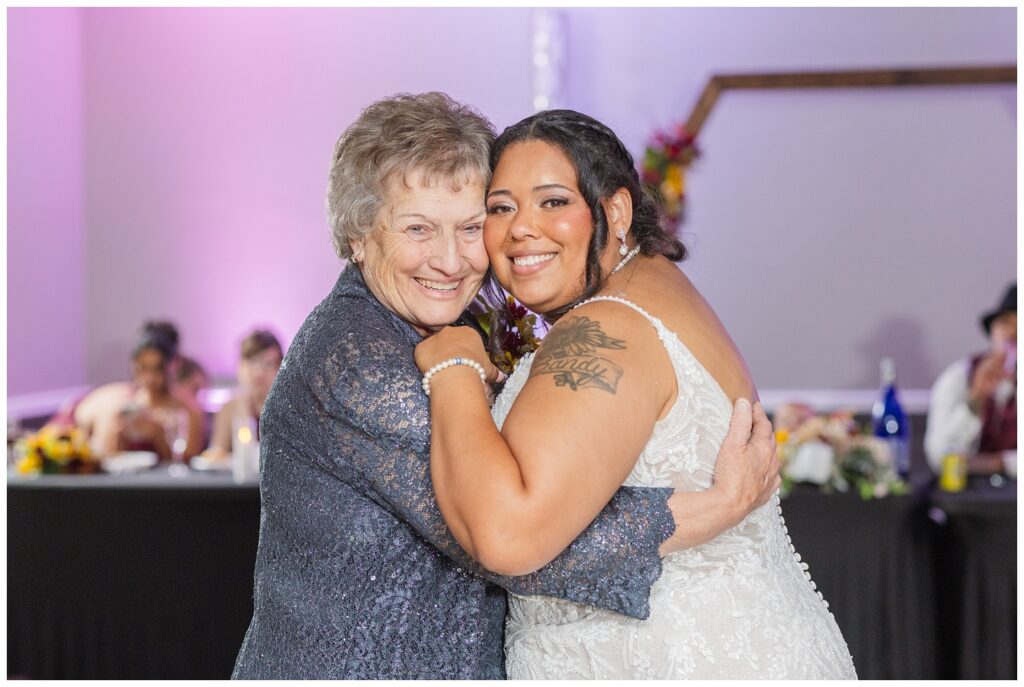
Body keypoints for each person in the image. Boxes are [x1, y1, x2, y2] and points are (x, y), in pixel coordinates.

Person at [231, 93, 779, 679]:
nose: (449, 261)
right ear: (358, 237)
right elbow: (510, 537)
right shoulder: (360, 361)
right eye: (418, 229)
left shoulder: (451, 325)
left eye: (470, 227)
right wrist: (713, 509)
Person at [414, 109, 856, 679]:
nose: (521, 228)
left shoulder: (609, 330)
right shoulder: (655, 289)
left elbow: (506, 535)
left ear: (615, 210)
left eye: (553, 202)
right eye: (501, 208)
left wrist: (452, 368)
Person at [68, 321, 205, 463]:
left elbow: (187, 465)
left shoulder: (187, 409)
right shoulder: (122, 402)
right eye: (142, 368)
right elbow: (106, 457)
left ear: (173, 365)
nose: (150, 378)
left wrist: (158, 435)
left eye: (158, 369)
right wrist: (116, 435)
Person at [925, 284, 1016, 474]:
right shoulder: (959, 377)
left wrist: (1001, 463)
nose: (1012, 334)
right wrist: (976, 398)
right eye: (1006, 323)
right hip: (968, 498)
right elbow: (938, 456)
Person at [203, 329, 283, 459]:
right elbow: (216, 454)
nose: (258, 372)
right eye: (252, 362)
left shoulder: (288, 409)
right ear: (240, 366)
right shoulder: (229, 408)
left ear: (280, 368)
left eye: (267, 364)